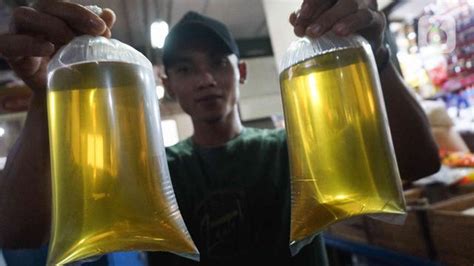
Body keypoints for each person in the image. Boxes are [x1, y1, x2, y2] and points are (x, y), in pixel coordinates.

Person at [0, 0, 440, 265]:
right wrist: (46, 97)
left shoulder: (293, 151)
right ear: (167, 84)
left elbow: (419, 163)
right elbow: (17, 232)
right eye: (186, 68)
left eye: (217, 62)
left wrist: (374, 57)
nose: (206, 79)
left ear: (241, 71)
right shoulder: (151, 174)